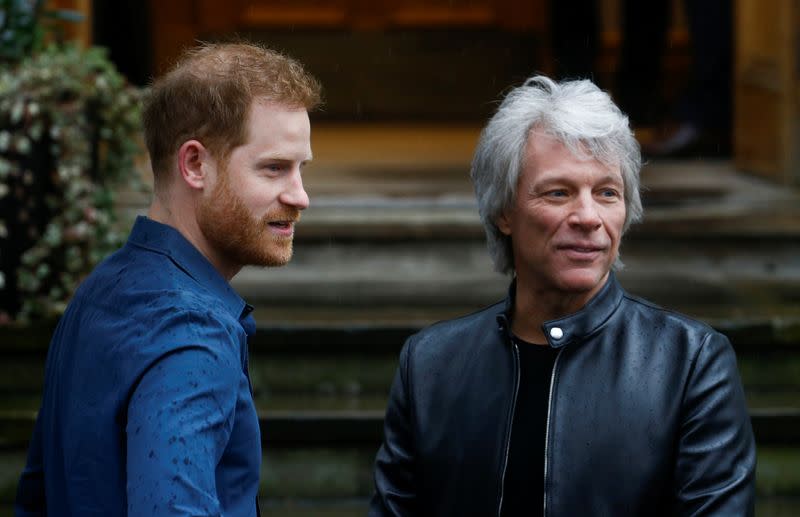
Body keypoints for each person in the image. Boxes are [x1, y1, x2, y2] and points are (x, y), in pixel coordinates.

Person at [370, 75, 755, 516]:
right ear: (503, 211)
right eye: (559, 193)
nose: (589, 217)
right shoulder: (431, 364)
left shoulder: (690, 363)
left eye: (607, 193)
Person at [15, 42, 321, 516]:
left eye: (301, 169)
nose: (300, 196)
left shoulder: (100, 289)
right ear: (195, 164)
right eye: (274, 168)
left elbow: (36, 498)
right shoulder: (191, 332)